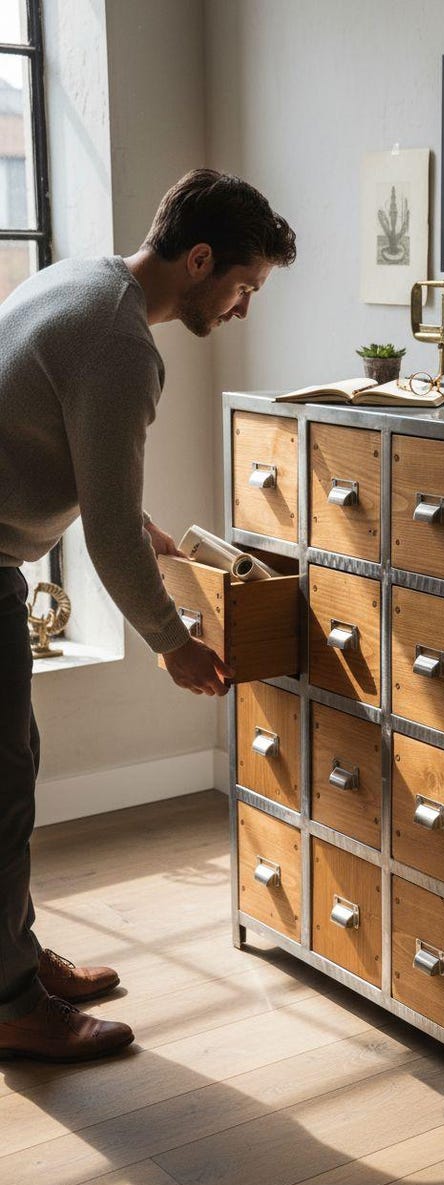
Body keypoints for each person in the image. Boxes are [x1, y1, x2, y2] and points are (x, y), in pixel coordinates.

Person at [0, 169, 296, 1061]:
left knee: (11, 772)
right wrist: (174, 642)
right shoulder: (122, 345)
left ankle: (10, 958)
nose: (242, 309)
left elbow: (93, 479)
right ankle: (12, 1000)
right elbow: (106, 544)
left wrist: (156, 534)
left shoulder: (78, 280)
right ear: (198, 260)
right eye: (242, 286)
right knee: (3, 786)